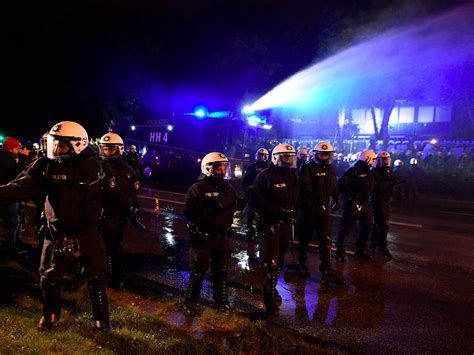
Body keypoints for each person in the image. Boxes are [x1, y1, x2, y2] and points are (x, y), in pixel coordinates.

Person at [0, 121, 137, 331]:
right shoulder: (46, 165)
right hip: (56, 232)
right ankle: (49, 318)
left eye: (61, 145)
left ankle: (102, 320)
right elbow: (20, 187)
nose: (55, 150)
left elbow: (112, 194)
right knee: (49, 277)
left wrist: (130, 208)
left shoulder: (97, 166)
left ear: (78, 144)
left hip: (87, 231)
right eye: (54, 144)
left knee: (96, 276)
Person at [183, 152, 244, 316]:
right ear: (208, 168)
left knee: (221, 271)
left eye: (224, 167)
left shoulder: (227, 187)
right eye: (218, 167)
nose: (222, 170)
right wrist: (209, 210)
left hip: (222, 237)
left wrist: (241, 204)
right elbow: (190, 212)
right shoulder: (198, 188)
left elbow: (231, 208)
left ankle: (220, 301)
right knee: (198, 272)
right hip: (203, 237)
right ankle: (190, 303)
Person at [253, 143, 299, 315]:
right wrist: (278, 211)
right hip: (269, 226)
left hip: (285, 226)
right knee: (269, 264)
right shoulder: (265, 176)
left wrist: (295, 212)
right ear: (276, 158)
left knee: (278, 261)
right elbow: (257, 201)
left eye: (290, 157)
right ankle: (269, 300)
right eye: (285, 157)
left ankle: (272, 290)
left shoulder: (292, 176)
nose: (288, 160)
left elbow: (296, 198)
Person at [99, 132, 141, 290]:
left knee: (113, 249)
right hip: (95, 213)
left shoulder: (128, 171)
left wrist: (134, 213)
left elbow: (133, 196)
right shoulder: (95, 166)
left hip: (116, 216)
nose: (107, 152)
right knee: (91, 248)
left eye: (111, 149)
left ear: (119, 149)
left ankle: (114, 280)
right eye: (105, 149)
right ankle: (88, 277)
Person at [297, 141, 342, 284]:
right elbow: (305, 188)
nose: (324, 157)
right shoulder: (307, 168)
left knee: (326, 240)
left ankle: (326, 268)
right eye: (321, 154)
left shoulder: (331, 169)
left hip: (324, 211)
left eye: (326, 155)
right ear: (315, 154)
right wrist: (316, 203)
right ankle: (302, 263)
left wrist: (337, 197)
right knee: (305, 238)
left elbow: (333, 185)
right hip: (309, 210)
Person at [335, 149, 376, 262]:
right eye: (372, 159)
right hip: (352, 204)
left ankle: (360, 250)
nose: (374, 162)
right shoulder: (353, 171)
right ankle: (339, 252)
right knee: (346, 228)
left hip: (364, 203)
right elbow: (341, 185)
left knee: (367, 227)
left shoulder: (369, 171)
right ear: (367, 159)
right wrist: (351, 197)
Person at [0, 137, 29, 252]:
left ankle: (13, 243)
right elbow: (21, 173)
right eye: (18, 148)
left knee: (14, 220)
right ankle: (10, 247)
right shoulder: (5, 158)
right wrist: (24, 157)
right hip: (6, 196)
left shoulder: (5, 157)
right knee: (12, 222)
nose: (20, 150)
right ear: (12, 149)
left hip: (6, 194)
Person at [370, 151, 399, 257]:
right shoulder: (374, 172)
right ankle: (381, 246)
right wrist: (387, 183)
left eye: (386, 159)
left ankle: (374, 243)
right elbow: (377, 186)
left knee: (378, 223)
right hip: (377, 200)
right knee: (382, 224)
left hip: (385, 200)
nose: (385, 161)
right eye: (382, 159)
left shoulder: (388, 170)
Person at [242, 148, 269, 239]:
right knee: (251, 211)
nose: (261, 157)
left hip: (264, 194)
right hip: (253, 192)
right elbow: (246, 180)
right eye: (259, 155)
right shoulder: (252, 167)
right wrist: (247, 189)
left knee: (264, 212)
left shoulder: (268, 167)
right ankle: (250, 228)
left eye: (263, 155)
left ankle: (262, 229)